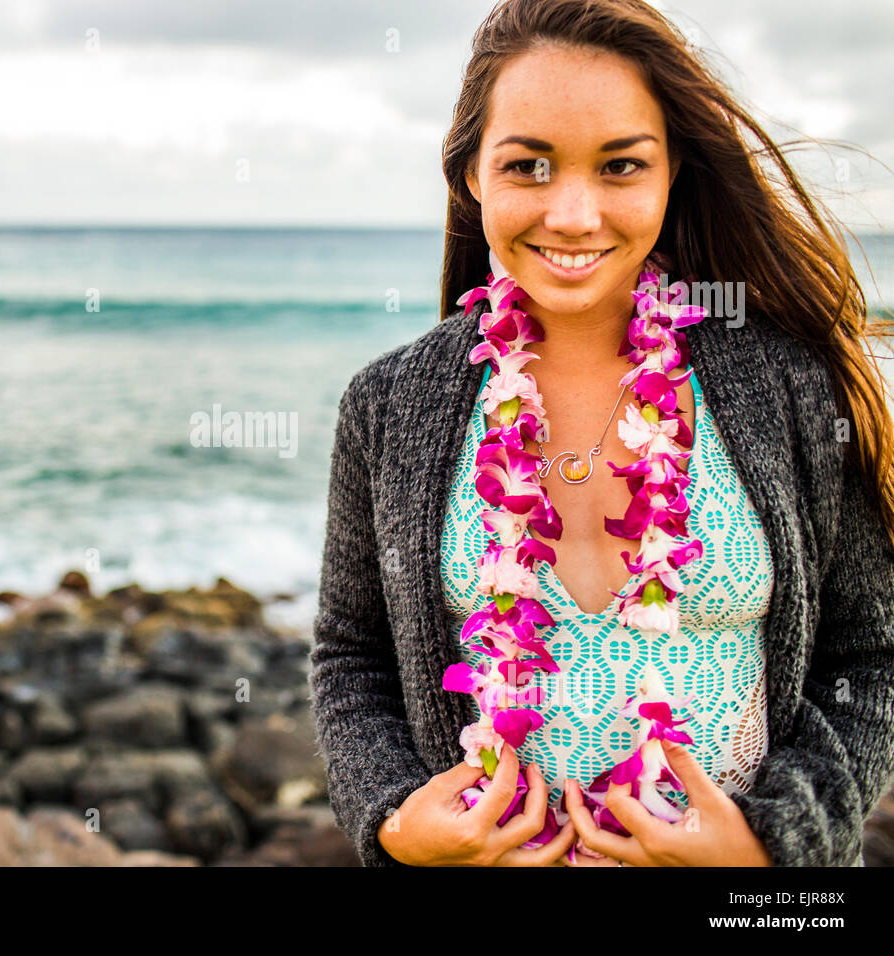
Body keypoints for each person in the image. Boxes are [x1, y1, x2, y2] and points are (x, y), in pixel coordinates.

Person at [308, 0, 894, 867]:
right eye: (529, 167)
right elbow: (351, 660)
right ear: (472, 175)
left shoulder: (789, 386)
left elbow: (871, 652)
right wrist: (397, 825)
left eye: (621, 166)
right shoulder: (390, 405)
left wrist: (769, 848)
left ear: (672, 174)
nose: (575, 215)